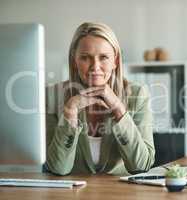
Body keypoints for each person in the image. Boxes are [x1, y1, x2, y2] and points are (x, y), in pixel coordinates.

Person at [45, 22, 155, 175]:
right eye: (85, 58)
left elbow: (141, 166)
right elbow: (57, 168)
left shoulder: (137, 94)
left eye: (103, 57)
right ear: (74, 61)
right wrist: (70, 113)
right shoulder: (52, 95)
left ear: (115, 61)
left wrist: (119, 110)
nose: (95, 67)